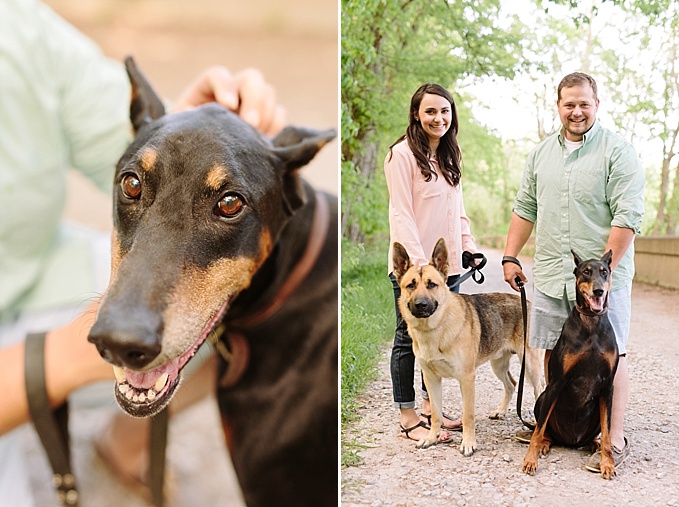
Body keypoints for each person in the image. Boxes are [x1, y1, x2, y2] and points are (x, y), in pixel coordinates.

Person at [0, 0, 285, 503]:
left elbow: (137, 150)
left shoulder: (19, 25)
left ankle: (124, 444)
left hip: (35, 273)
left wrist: (189, 125)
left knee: (270, 292)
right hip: (34, 335)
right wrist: (55, 362)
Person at [502, 72, 645, 472]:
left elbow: (628, 215)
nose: (577, 110)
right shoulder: (540, 154)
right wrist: (511, 255)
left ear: (596, 104)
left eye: (584, 103)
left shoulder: (619, 152)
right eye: (569, 103)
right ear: (559, 106)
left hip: (601, 278)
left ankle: (612, 437)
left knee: (612, 356)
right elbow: (525, 206)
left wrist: (604, 274)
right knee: (553, 350)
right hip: (551, 272)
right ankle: (555, 428)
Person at [384, 83, 479, 444]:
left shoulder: (451, 156)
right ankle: (408, 414)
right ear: (416, 114)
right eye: (430, 111)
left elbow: (458, 210)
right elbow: (402, 212)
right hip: (415, 269)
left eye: (444, 111)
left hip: (446, 268)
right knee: (408, 341)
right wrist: (419, 269)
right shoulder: (401, 155)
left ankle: (431, 409)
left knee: (444, 337)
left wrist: (467, 246)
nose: (438, 118)